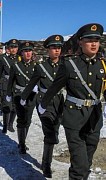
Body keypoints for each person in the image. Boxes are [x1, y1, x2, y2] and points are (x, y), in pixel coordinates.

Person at [39, 23, 105, 180]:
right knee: (80, 166)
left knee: (86, 163)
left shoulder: (103, 65)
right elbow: (54, 87)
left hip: (94, 119)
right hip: (74, 119)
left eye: (96, 39)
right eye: (89, 40)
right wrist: (43, 105)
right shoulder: (70, 65)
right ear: (81, 42)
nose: (94, 43)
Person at [20, 35, 65, 178]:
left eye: (59, 48)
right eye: (53, 48)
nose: (57, 50)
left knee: (55, 131)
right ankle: (47, 165)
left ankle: (46, 159)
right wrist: (23, 97)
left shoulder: (66, 66)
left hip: (59, 102)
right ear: (48, 50)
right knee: (50, 132)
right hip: (44, 103)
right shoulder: (41, 67)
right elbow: (32, 83)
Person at [6, 42, 37, 153]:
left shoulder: (36, 66)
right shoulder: (16, 66)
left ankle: (22, 140)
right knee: (21, 120)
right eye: (25, 51)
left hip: (32, 97)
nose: (28, 53)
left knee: (28, 120)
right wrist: (9, 94)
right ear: (21, 53)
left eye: (29, 51)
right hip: (19, 96)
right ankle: (22, 144)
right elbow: (11, 82)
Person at [0, 39, 19, 134]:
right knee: (6, 106)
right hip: (6, 84)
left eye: (15, 47)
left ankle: (10, 124)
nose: (13, 49)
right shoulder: (3, 59)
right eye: (11, 47)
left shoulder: (20, 59)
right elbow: (0, 72)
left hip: (17, 85)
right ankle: (5, 125)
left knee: (15, 107)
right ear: (8, 48)